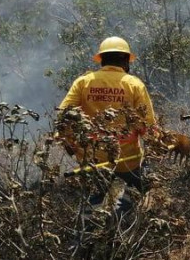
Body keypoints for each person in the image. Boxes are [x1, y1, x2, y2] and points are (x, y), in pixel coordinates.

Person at [57, 36, 156, 217]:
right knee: (133, 195)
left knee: (93, 202)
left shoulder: (83, 82)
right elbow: (147, 125)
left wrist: (70, 144)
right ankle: (117, 225)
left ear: (101, 59)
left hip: (91, 158)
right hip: (127, 158)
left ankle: (88, 235)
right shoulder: (133, 84)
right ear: (126, 60)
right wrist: (156, 146)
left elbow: (63, 117)